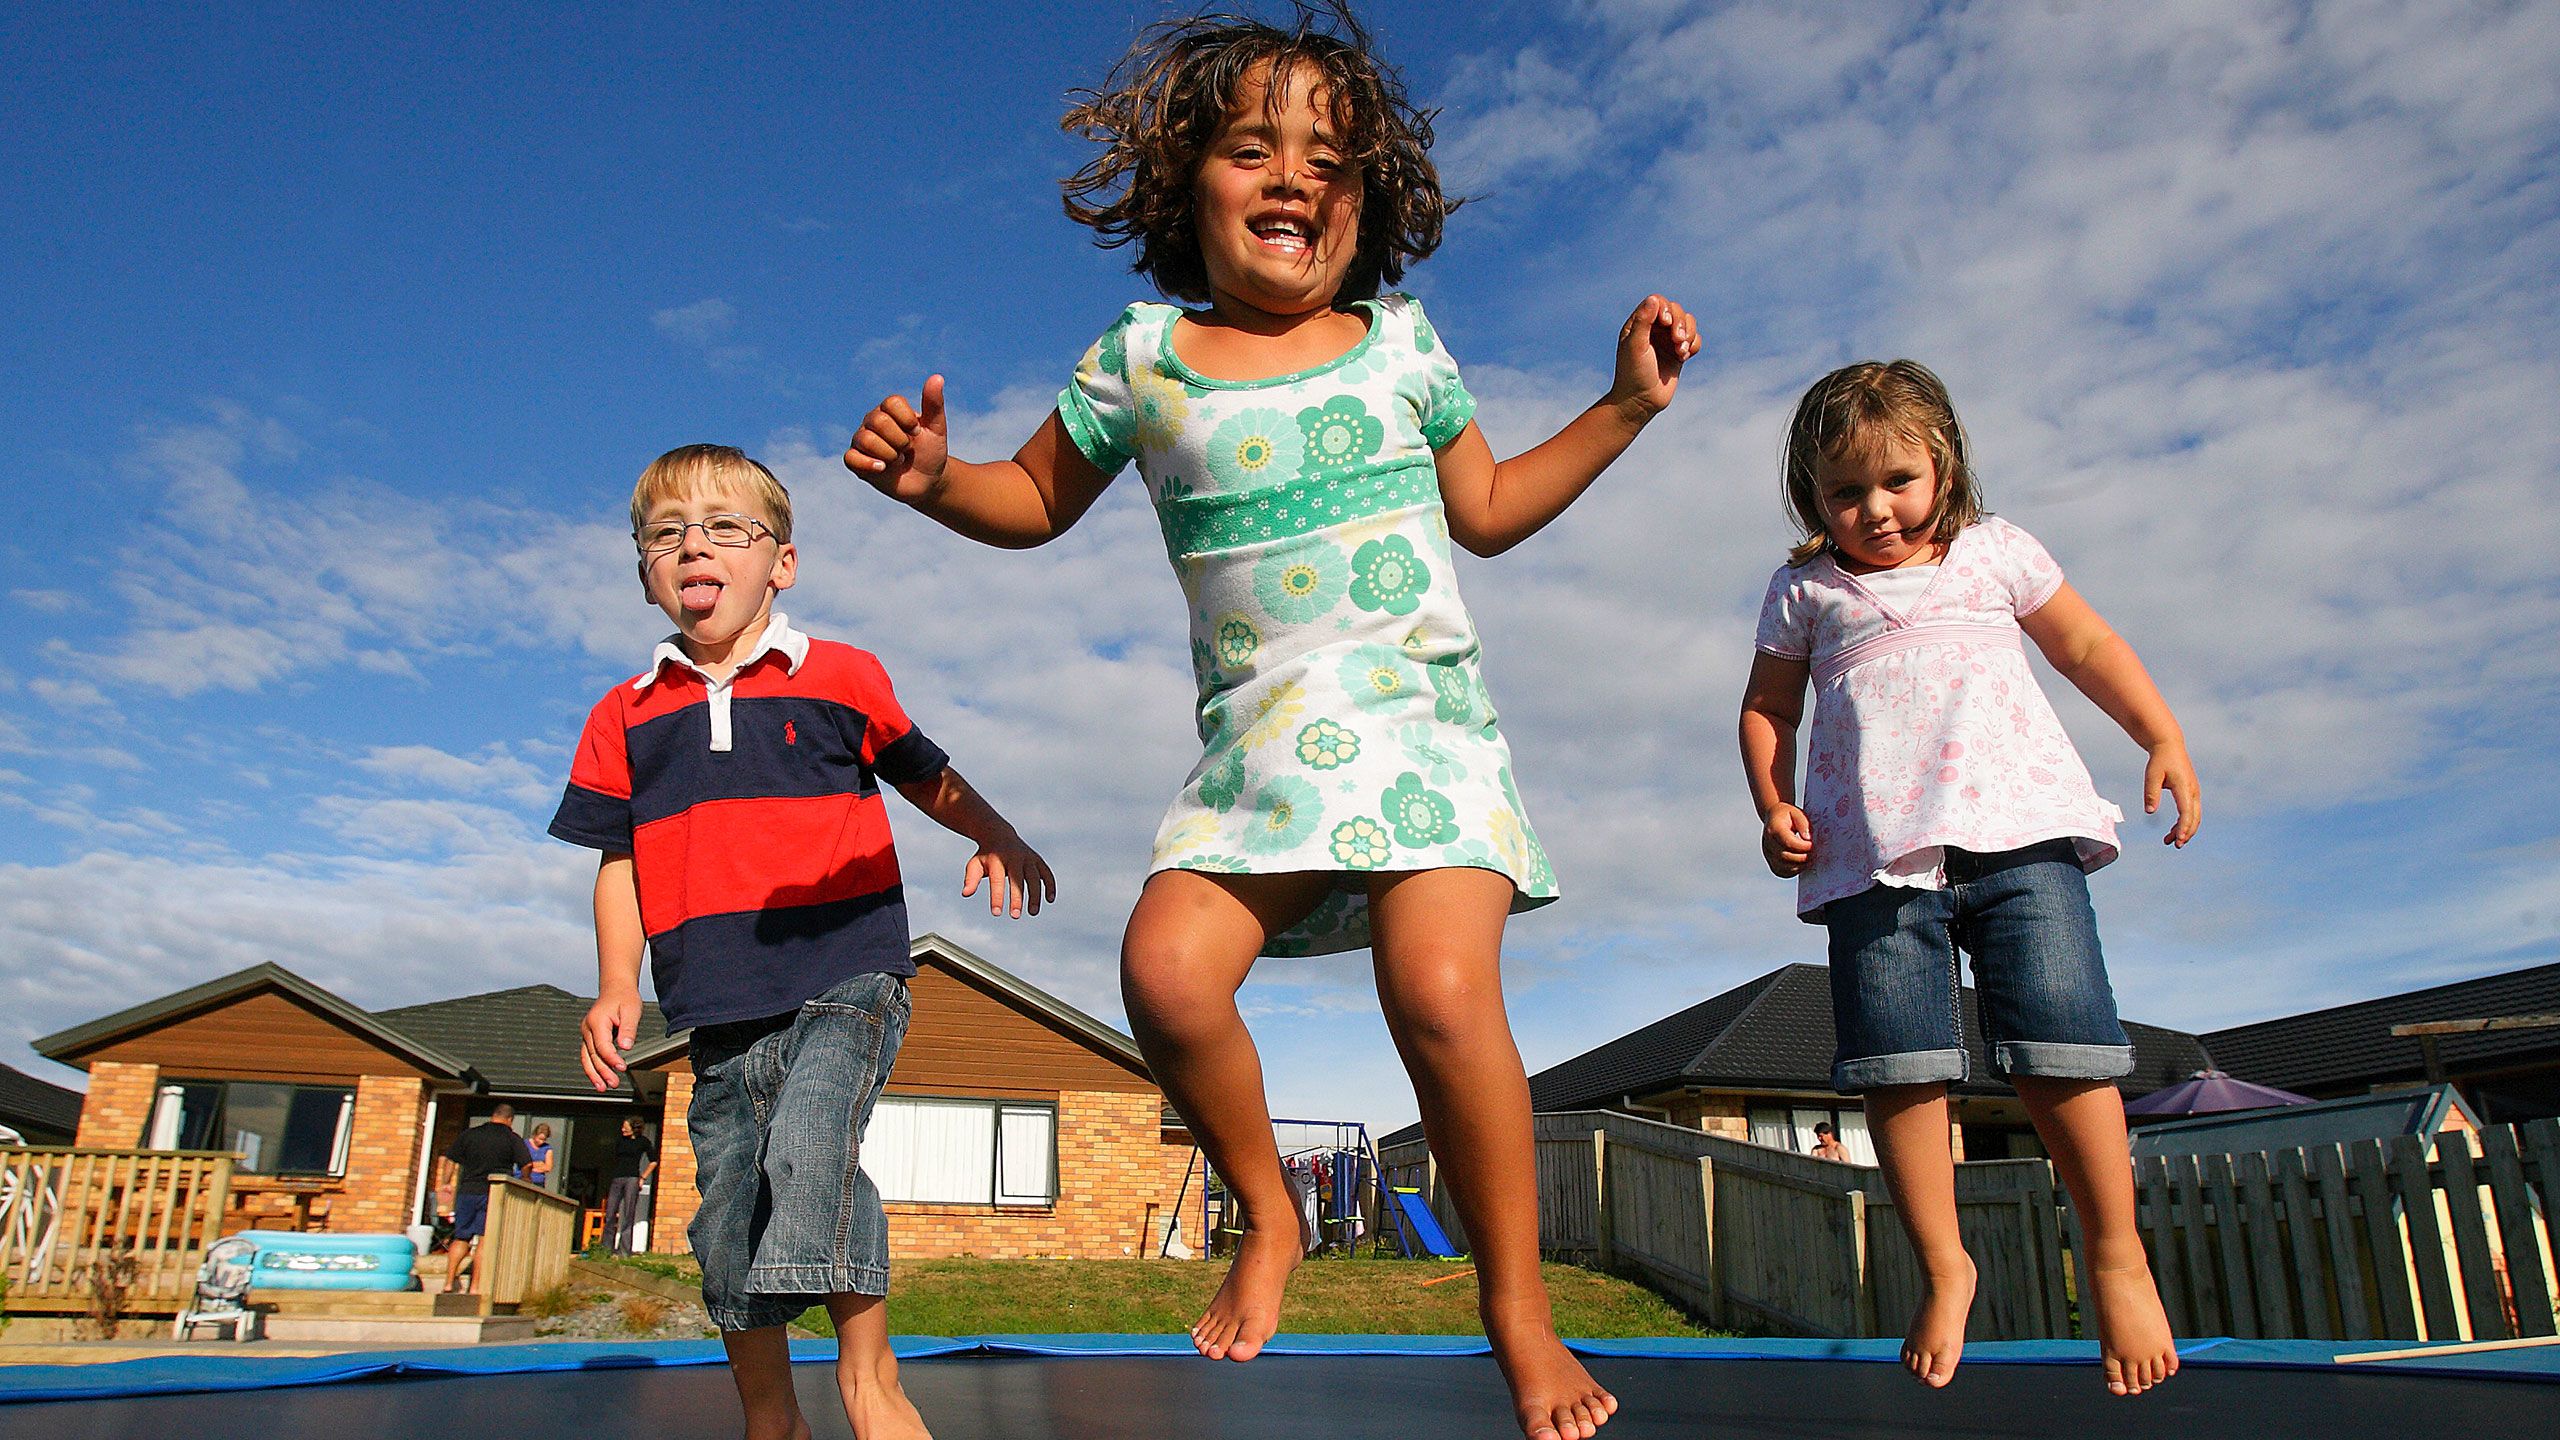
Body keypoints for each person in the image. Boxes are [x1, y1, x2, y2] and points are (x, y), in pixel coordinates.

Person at [842, 9, 1692, 1437]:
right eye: (1253, 150)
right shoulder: (1146, 356)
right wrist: (940, 483)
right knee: (1167, 976)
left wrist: (1620, 408)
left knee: (1435, 994)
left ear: (1370, 200)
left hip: (1421, 723)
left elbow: (1485, 513)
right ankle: (1271, 1214)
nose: (1294, 179)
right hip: (1262, 747)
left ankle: (1517, 1309)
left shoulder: (1402, 345)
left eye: (1329, 160)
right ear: (1191, 184)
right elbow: (1037, 501)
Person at [552, 443, 1055, 1440]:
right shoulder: (624, 714)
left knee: (811, 1142)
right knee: (726, 1203)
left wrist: (993, 831)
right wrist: (616, 982)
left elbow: (924, 773)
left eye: (726, 527)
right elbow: (617, 859)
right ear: (646, 572)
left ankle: (871, 1381)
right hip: (712, 1002)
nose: (695, 545)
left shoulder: (839, 675)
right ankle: (771, 1414)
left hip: (845, 970)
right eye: (667, 534)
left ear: (780, 562)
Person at [1738, 361, 2192, 1397]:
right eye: (1844, 494)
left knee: (2063, 1046)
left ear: (1942, 462)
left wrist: (2158, 733)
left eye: (1897, 481)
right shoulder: (1807, 588)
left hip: (2020, 835)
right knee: (1898, 1067)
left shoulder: (1996, 553)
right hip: (1869, 862)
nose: (1875, 512)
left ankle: (2114, 1255)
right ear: (1812, 497)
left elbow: (2083, 643)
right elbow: (1768, 709)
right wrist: (1772, 805)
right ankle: (1945, 1267)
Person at [433, 1102, 532, 1294]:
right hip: (493, 1193)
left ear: (493, 1115)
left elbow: (451, 1160)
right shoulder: (511, 1138)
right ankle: (476, 1286)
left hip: (468, 1191)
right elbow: (526, 1164)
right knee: (486, 1239)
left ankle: (448, 1281)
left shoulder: (470, 1134)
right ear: (510, 1120)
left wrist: (445, 1183)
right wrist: (526, 1179)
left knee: (461, 1237)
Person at [603, 1117, 656, 1255]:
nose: (622, 1129)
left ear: (634, 1128)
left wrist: (643, 1177)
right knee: (610, 1213)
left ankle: (624, 1251)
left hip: (632, 1178)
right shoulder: (620, 1141)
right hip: (617, 1178)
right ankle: (606, 1249)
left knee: (628, 1214)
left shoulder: (643, 1142)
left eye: (625, 1127)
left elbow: (654, 1161)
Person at [517, 1122, 555, 1187]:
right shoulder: (524, 1144)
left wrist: (531, 1166)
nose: (541, 1142)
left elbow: (548, 1167)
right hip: (521, 1178)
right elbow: (521, 1162)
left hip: (538, 1182)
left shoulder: (547, 1148)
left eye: (544, 1140)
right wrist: (539, 1164)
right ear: (534, 1135)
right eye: (540, 1139)